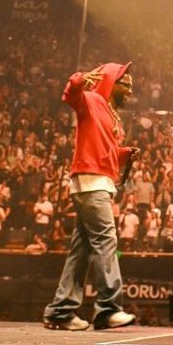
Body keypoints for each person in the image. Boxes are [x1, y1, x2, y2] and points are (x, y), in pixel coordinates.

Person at [43, 63, 138, 331]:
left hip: (97, 181)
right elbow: (72, 95)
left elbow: (105, 151)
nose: (130, 90)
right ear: (110, 81)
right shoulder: (93, 99)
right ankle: (108, 309)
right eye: (125, 84)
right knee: (107, 241)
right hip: (91, 182)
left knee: (81, 249)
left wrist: (123, 154)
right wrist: (79, 79)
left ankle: (60, 311)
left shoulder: (109, 112)